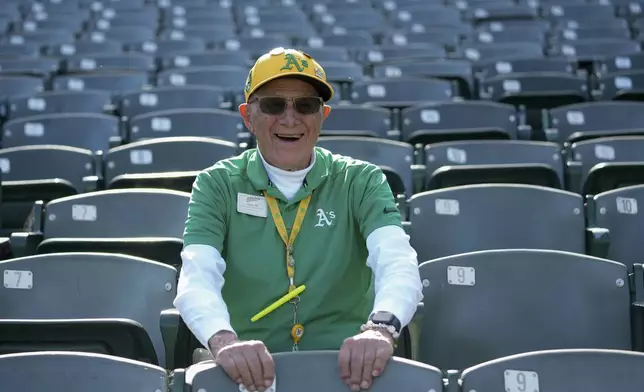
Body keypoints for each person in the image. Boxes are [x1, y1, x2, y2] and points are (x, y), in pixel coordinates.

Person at [174, 47, 423, 392]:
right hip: (251, 374)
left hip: (348, 371)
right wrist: (224, 341)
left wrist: (381, 329)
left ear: (323, 115)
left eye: (305, 105)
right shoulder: (217, 184)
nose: (290, 118)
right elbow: (197, 273)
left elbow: (397, 260)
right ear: (248, 116)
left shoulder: (362, 180)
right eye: (274, 105)